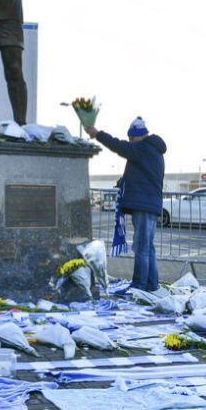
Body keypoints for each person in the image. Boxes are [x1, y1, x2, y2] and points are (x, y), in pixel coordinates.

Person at [85, 117, 166, 292]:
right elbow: (143, 174)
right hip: (150, 205)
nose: (130, 142)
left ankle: (139, 285)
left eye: (131, 138)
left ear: (138, 136)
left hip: (144, 206)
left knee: (141, 247)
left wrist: (98, 134)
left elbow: (118, 145)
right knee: (148, 247)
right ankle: (152, 284)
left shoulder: (143, 149)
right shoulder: (154, 150)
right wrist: (125, 181)